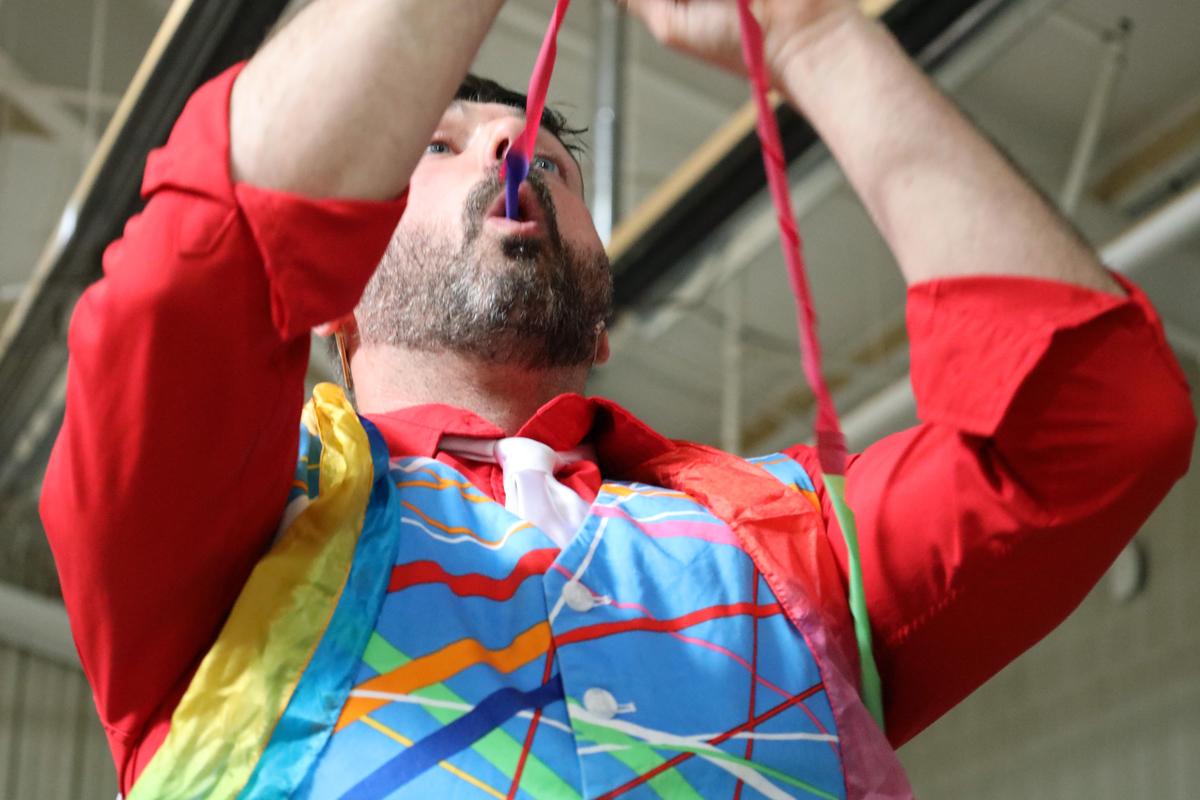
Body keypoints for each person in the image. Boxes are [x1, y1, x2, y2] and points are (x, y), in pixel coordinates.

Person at [40, 0, 1194, 797]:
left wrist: (815, 33)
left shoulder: (783, 543)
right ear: (337, 299)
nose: (512, 141)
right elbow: (205, 265)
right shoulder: (239, 527)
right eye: (436, 145)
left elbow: (1097, 423)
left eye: (551, 156)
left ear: (601, 315)